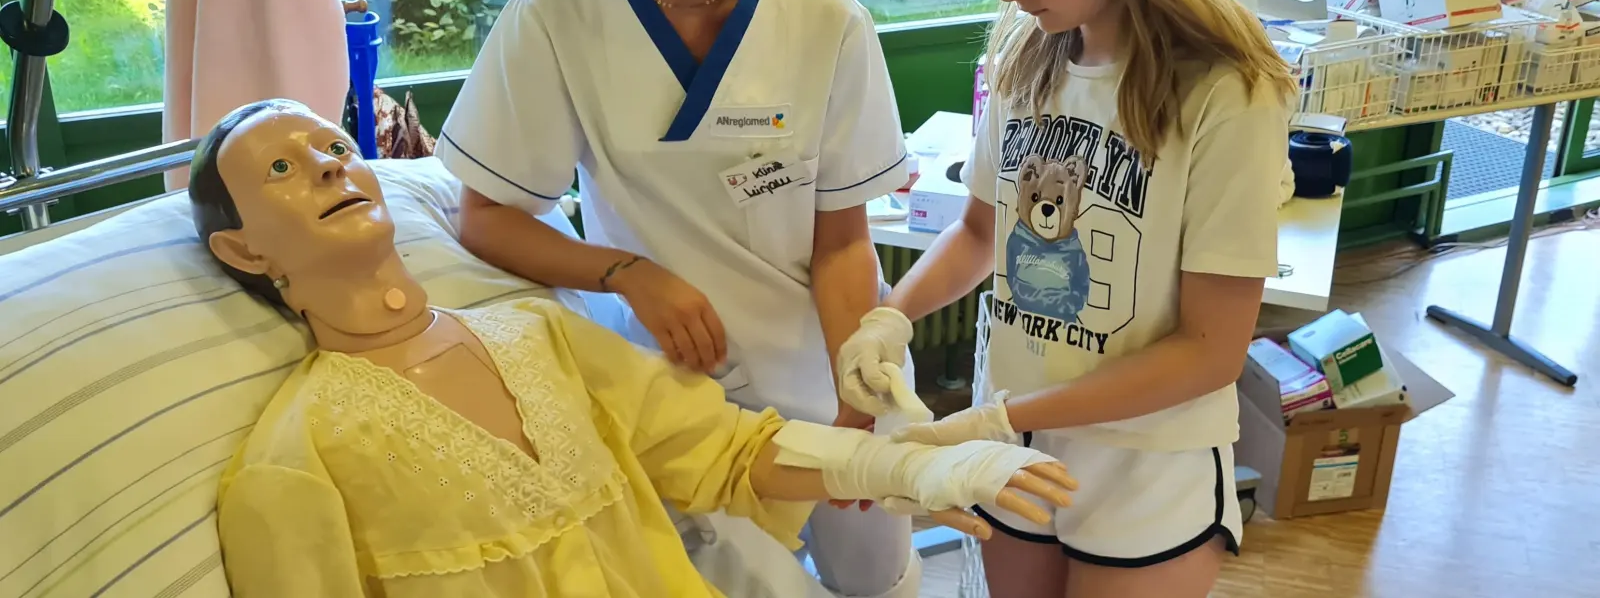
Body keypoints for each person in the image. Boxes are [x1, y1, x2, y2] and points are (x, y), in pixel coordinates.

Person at [192, 99, 1077, 598]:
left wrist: (916, 473)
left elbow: (726, 452)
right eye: (281, 170)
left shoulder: (538, 337)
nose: (329, 167)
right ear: (244, 251)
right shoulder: (295, 458)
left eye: (335, 146)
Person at [433, 0, 923, 598]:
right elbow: (489, 217)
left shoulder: (825, 23)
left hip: (828, 374)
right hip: (673, 402)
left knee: (876, 585)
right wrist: (626, 273)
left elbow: (844, 240)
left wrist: (858, 396)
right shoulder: (556, 22)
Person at [834, 0, 1296, 598]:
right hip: (1018, 436)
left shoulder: (1228, 93)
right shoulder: (1026, 56)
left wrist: (1005, 417)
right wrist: (889, 316)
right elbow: (982, 232)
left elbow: (1210, 349)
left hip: (1146, 459)